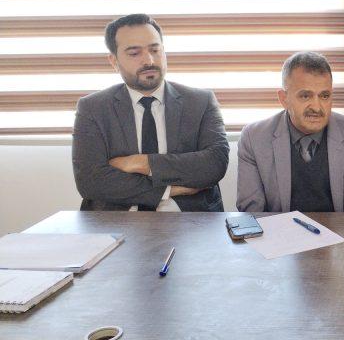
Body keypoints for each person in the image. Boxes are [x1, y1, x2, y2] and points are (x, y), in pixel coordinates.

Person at [72, 14, 229, 211]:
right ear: (114, 61)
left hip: (191, 219)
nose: (149, 60)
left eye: (155, 50)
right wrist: (167, 190)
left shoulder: (200, 101)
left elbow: (214, 164)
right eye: (134, 53)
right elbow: (90, 180)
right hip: (117, 220)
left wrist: (142, 163)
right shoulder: (93, 108)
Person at [237, 52, 344, 212]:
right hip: (280, 228)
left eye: (324, 96)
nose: (316, 107)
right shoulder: (253, 138)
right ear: (284, 99)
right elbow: (252, 212)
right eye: (305, 96)